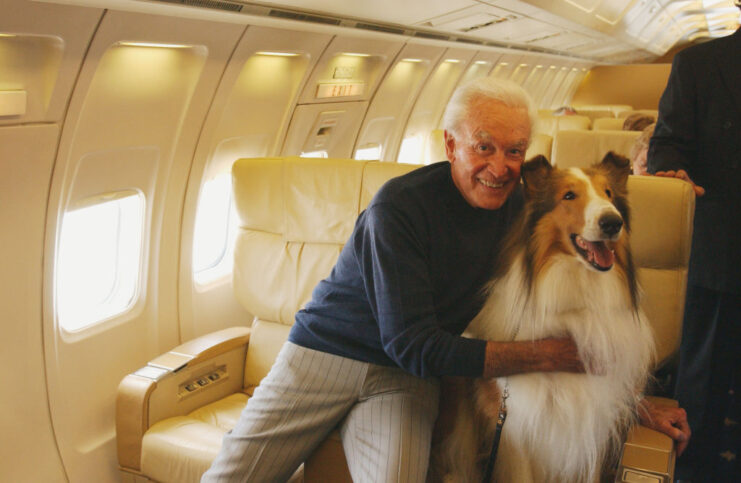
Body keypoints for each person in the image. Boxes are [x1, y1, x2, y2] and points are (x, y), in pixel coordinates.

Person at [202, 77, 688, 483]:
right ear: (450, 144)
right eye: (484, 147)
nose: (499, 167)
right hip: (324, 355)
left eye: (514, 150)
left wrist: (632, 402)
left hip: (403, 382)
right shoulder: (399, 207)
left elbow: (574, 318)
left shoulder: (525, 214)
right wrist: (553, 354)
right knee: (233, 478)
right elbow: (413, 343)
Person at [648, 13, 740, 482]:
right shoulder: (698, 65)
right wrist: (671, 174)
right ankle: (692, 472)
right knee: (703, 384)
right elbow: (667, 145)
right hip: (720, 250)